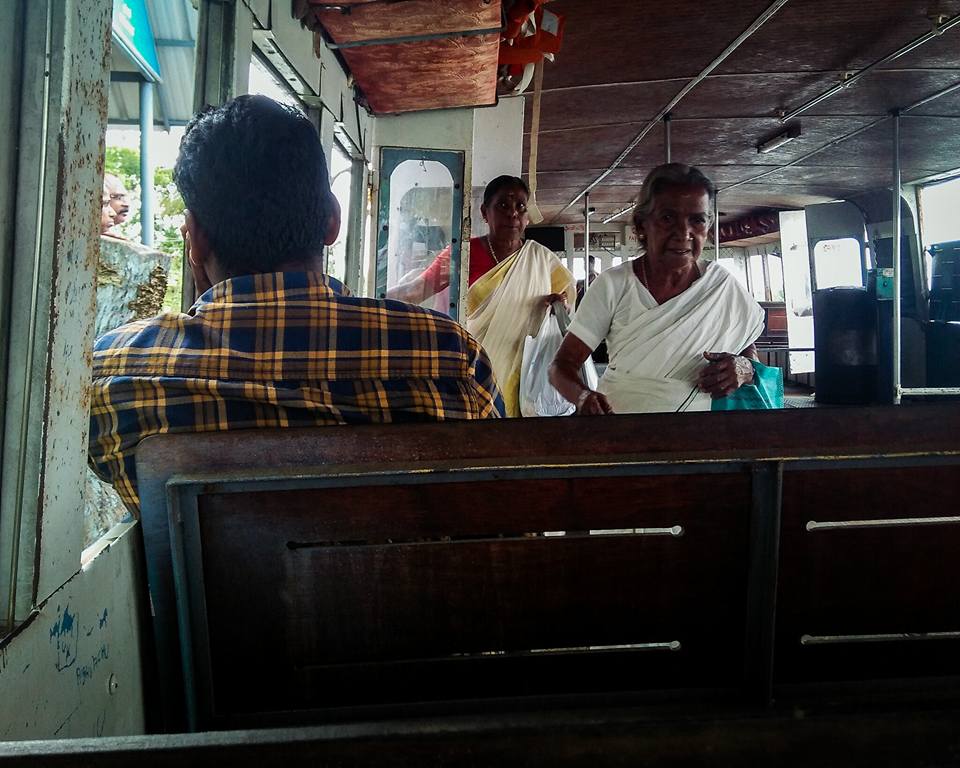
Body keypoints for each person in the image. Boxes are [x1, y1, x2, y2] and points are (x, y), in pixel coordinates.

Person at [89, 96, 504, 515]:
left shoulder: (113, 373)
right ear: (332, 221)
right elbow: (499, 493)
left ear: (194, 239)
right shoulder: (454, 359)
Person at [549, 163, 771, 415]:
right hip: (621, 425)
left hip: (703, 431)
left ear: (707, 226)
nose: (684, 233)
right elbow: (560, 367)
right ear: (641, 225)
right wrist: (582, 397)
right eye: (667, 218)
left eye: (697, 220)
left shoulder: (721, 285)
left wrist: (743, 368)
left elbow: (748, 351)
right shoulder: (613, 285)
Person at [389, 175, 574, 416]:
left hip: (523, 374)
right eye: (503, 206)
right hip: (470, 370)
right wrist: (362, 301)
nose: (513, 214)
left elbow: (565, 304)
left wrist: (559, 304)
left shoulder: (541, 259)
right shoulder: (462, 254)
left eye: (520, 206)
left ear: (527, 216)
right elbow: (415, 291)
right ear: (485, 213)